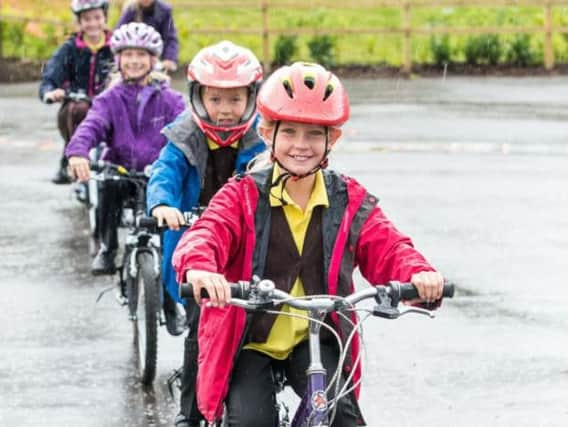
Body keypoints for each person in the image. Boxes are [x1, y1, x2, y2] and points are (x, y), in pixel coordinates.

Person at [171, 62, 446, 426]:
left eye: (314, 134)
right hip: (249, 339)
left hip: (318, 336)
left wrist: (419, 274)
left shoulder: (347, 198)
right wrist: (202, 269)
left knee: (343, 417)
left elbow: (389, 246)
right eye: (290, 133)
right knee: (252, 421)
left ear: (332, 140)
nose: (301, 145)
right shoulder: (241, 195)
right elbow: (207, 233)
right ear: (268, 134)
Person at [145, 40, 264, 426]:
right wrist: (163, 206)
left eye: (235, 100)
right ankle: (190, 412)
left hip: (247, 248)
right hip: (195, 248)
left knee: (263, 316)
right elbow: (164, 173)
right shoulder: (184, 137)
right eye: (215, 100)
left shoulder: (264, 140)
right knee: (202, 330)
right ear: (198, 98)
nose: (225, 110)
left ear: (252, 99)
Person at [65, 22, 185, 275]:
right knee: (109, 187)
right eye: (128, 54)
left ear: (153, 59)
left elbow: (188, 129)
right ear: (118, 59)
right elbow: (91, 125)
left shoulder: (171, 100)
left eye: (141, 54)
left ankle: (173, 275)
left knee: (175, 209)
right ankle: (107, 247)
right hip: (121, 169)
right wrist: (78, 152)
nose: (134, 61)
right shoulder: (109, 98)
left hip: (158, 173)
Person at [39, 0, 114, 184]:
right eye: (87, 19)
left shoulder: (116, 47)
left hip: (110, 105)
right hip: (78, 104)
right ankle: (71, 158)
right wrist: (51, 91)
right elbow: (51, 76)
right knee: (78, 110)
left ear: (105, 18)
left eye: (97, 17)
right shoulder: (70, 48)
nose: (93, 23)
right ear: (79, 23)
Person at [116, 0, 179, 72]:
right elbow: (119, 34)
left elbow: (170, 37)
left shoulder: (164, 10)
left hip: (154, 56)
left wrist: (169, 58)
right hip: (133, 53)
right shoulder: (131, 8)